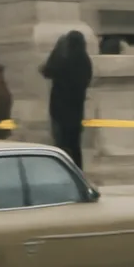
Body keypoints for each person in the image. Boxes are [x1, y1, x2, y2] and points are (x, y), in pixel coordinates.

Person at [39, 31, 93, 169]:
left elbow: (47, 70)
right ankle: (77, 170)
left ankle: (64, 170)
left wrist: (57, 49)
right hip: (76, 109)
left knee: (61, 143)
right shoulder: (85, 61)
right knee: (75, 145)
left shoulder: (63, 60)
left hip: (60, 108)